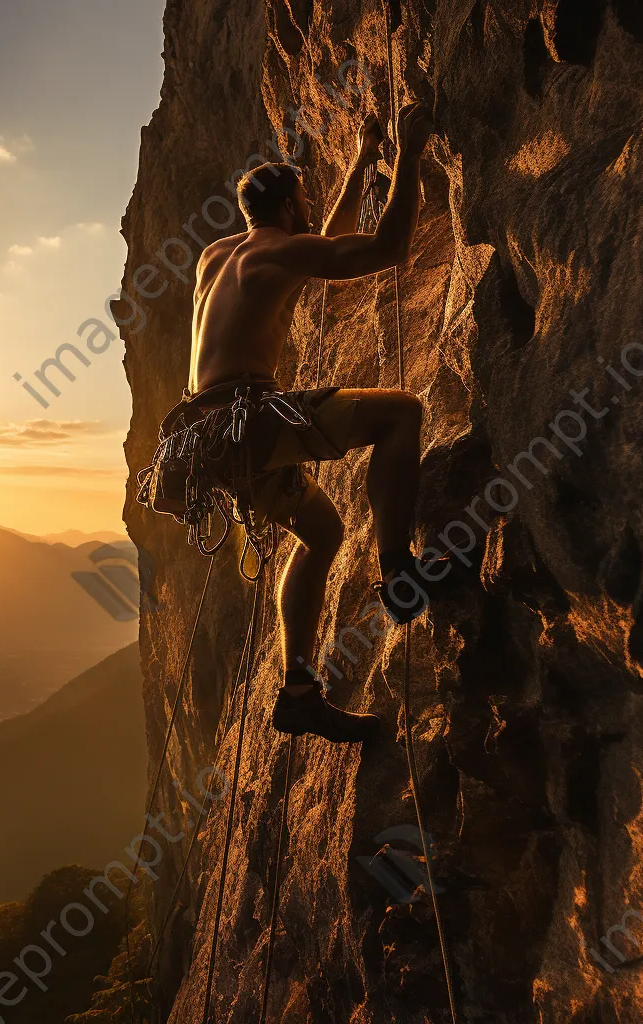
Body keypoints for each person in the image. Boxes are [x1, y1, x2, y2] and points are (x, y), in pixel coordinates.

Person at [184, 103, 465, 744]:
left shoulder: (218, 258)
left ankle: (299, 693)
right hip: (250, 416)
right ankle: (399, 570)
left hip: (209, 438)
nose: (308, 212)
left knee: (322, 532)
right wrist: (410, 157)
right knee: (403, 413)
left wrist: (364, 161)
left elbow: (317, 247)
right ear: (288, 209)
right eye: (304, 202)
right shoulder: (276, 253)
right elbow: (385, 248)